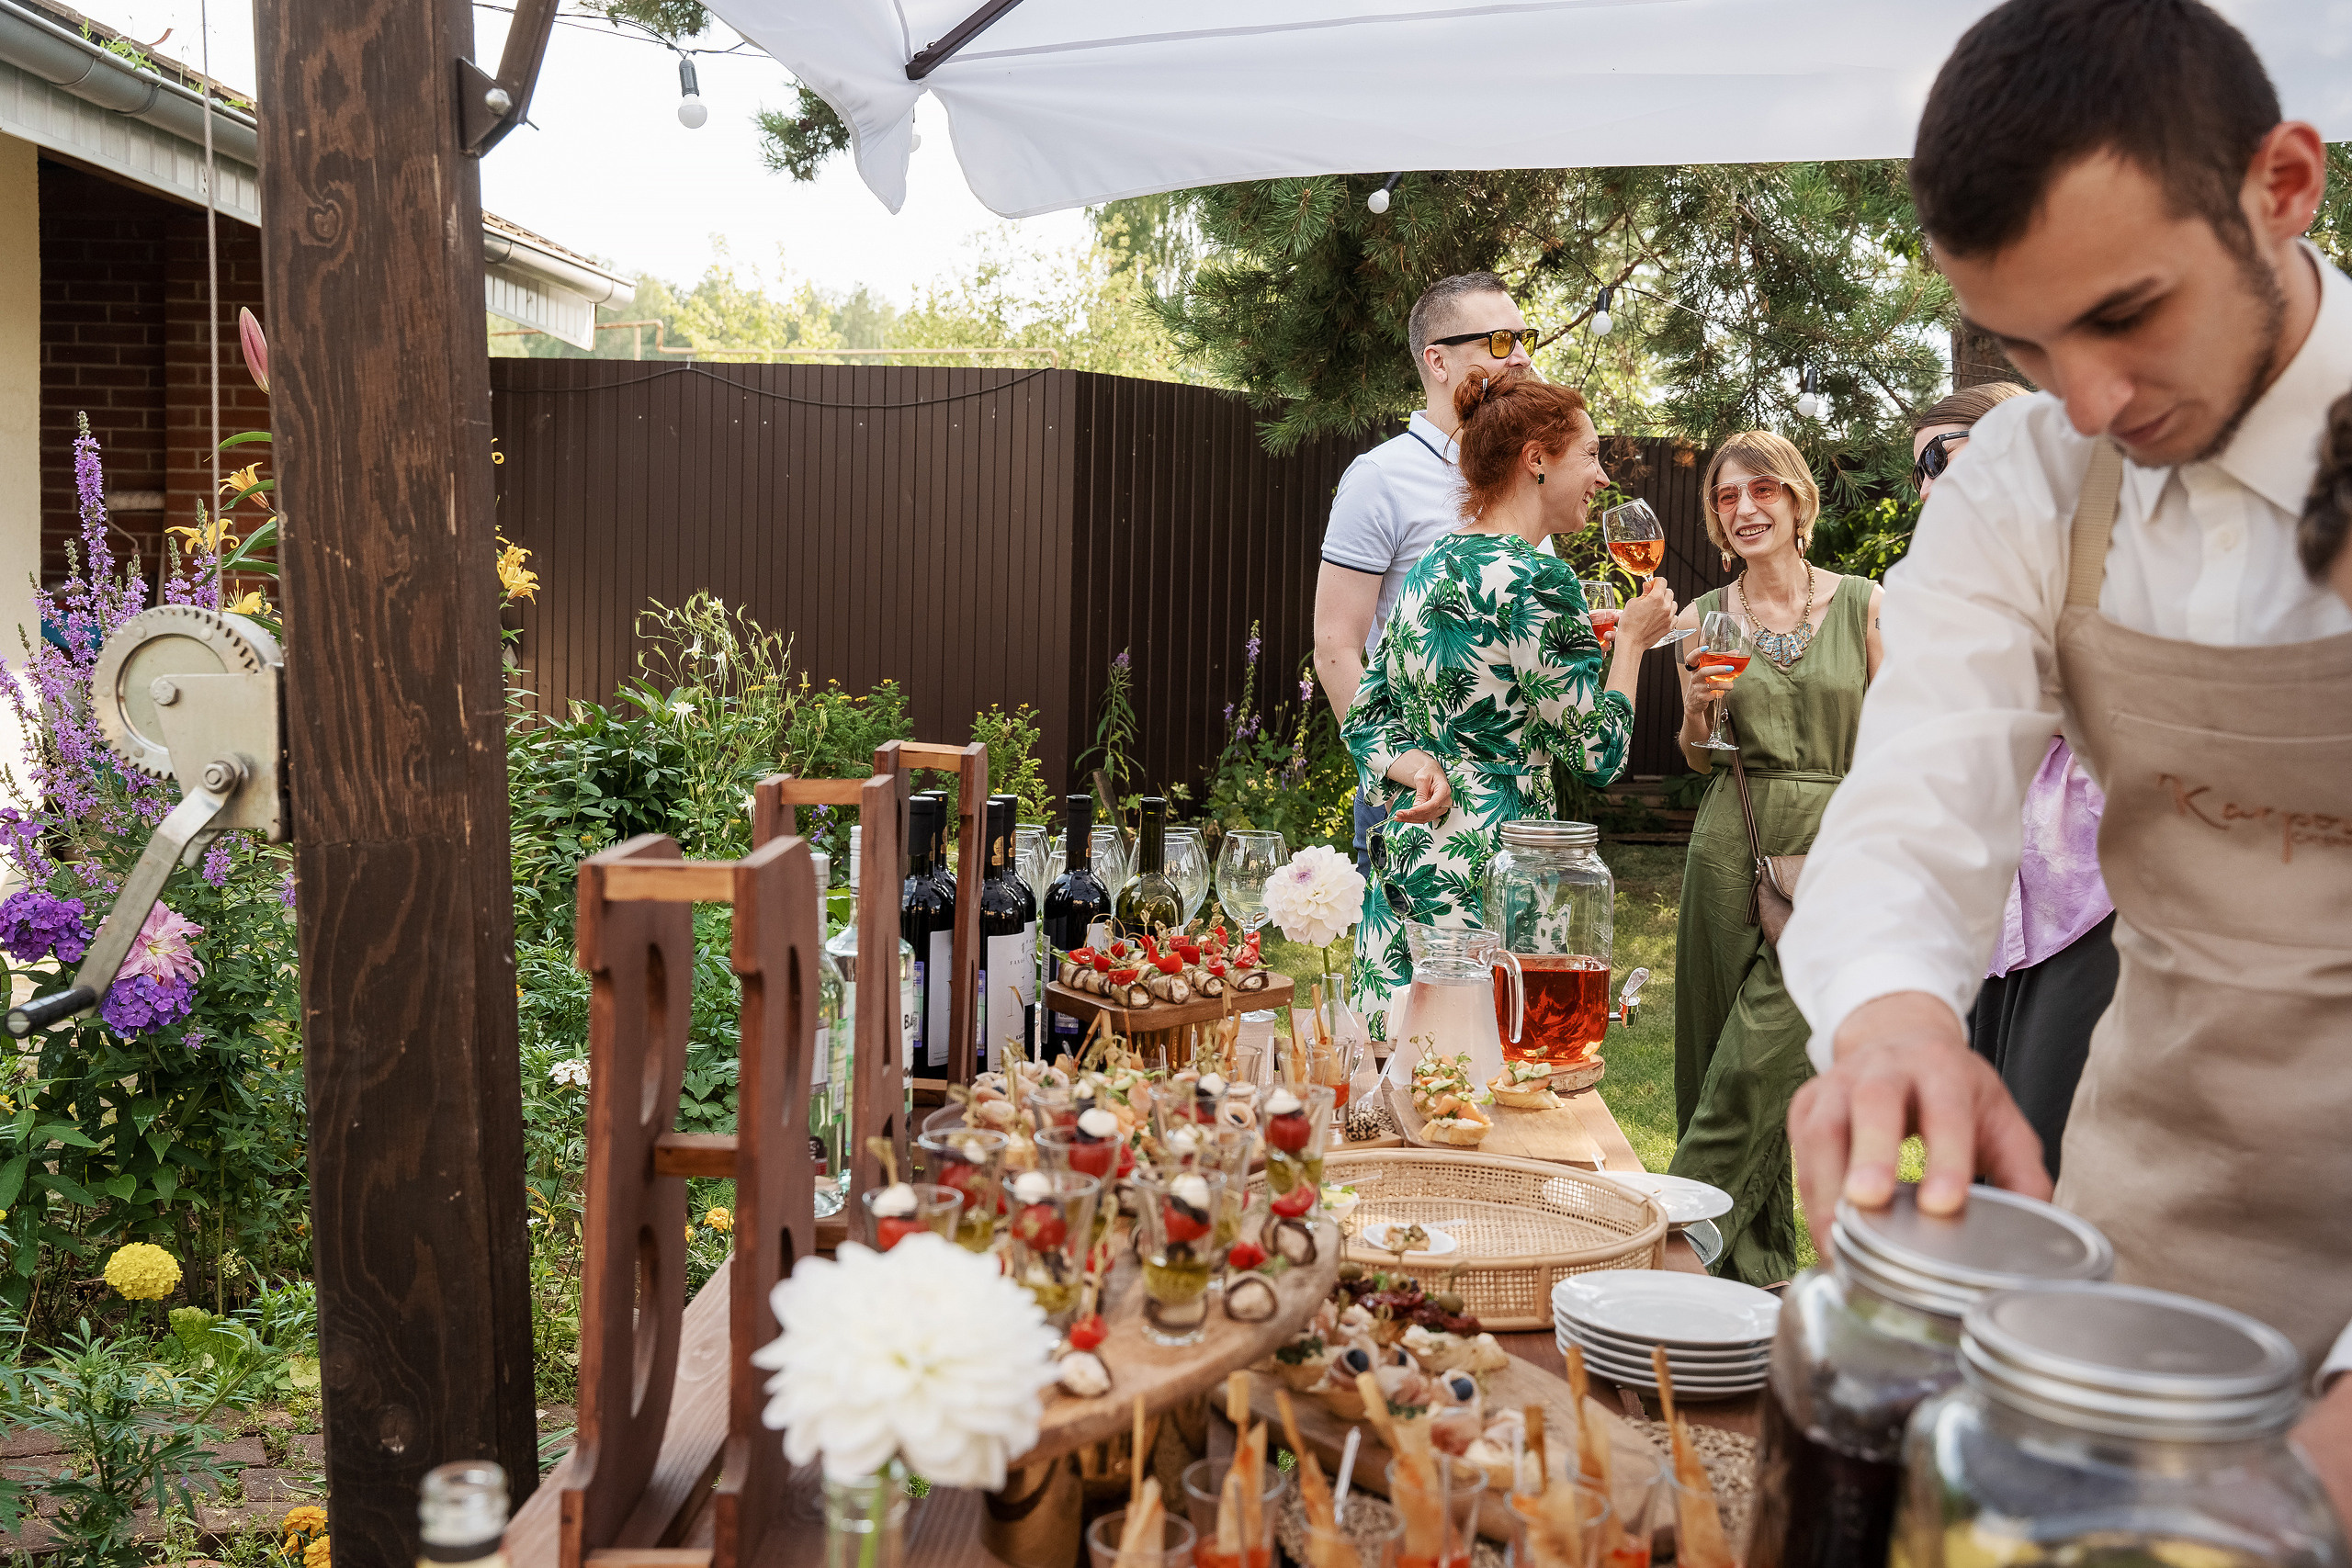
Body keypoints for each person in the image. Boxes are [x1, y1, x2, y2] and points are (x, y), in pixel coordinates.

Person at [1774, 0, 2352, 1520]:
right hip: (2140, 1229)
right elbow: (1917, 788)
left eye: (2125, 313)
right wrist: (1895, 1026)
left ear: (2283, 185)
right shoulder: (2034, 483)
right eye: (2024, 343)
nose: (2086, 400)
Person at [1343, 367, 1675, 1043]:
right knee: (1487, 1088)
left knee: (1400, 1076)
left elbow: (1367, 717)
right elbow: (1597, 751)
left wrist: (1421, 770)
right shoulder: (1539, 576)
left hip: (1409, 861)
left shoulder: (1432, 564)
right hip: (1494, 876)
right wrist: (1635, 645)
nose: (1603, 477)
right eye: (1590, 455)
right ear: (1536, 462)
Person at [1664, 431, 1881, 1287]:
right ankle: (1750, 1288)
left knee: (1759, 1063)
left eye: (1762, 491)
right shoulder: (1703, 617)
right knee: (1713, 1057)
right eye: (1726, 497)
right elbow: (1696, 754)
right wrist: (1695, 710)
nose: (1745, 509)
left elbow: (1900, 740)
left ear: (1796, 502)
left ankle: (1668, 1247)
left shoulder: (1867, 605)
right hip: (1731, 843)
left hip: (1838, 847)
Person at [1916, 384, 2120, 1183]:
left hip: (2091, 895)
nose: (1927, 486)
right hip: (2001, 907)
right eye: (1919, 472)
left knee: (2038, 1147)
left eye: (1941, 457)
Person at [1315, 273, 1538, 880]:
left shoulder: (1527, 475)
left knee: (1522, 977)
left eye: (1523, 339)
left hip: (1522, 798)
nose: (1520, 357)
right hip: (1422, 798)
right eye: (1497, 342)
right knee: (1413, 979)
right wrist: (1406, 764)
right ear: (1437, 361)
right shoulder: (1379, 478)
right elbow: (1335, 648)